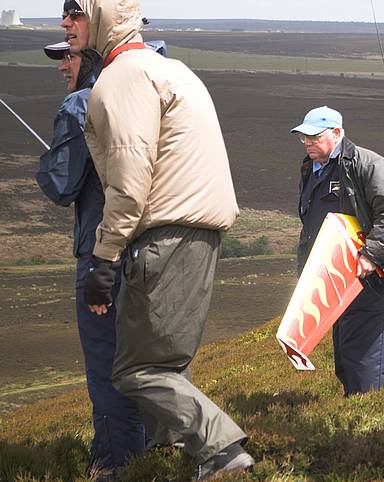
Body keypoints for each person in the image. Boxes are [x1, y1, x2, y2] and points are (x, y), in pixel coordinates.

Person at [74, 0, 253, 478]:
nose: (65, 24)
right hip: (198, 234)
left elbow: (129, 182)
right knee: (165, 362)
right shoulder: (170, 70)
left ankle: (221, 449)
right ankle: (173, 459)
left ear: (103, 18)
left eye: (75, 13)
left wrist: (104, 257)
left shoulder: (122, 78)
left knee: (137, 370)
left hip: (165, 237)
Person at [35, 40, 145, 475]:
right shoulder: (155, 88)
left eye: (70, 55)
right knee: (155, 367)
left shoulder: (82, 104)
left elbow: (61, 186)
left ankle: (117, 467)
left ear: (95, 55)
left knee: (107, 370)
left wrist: (50, 160)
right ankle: (163, 463)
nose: (64, 66)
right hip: (158, 257)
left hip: (104, 258)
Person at [292, 106, 384, 396]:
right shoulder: (310, 168)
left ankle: (369, 428)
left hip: (371, 278)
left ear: (336, 133)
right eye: (303, 137)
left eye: (314, 136)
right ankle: (354, 418)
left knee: (366, 361)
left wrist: (372, 256)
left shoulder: (367, 163)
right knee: (346, 358)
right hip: (337, 280)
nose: (307, 142)